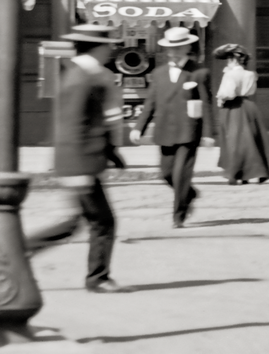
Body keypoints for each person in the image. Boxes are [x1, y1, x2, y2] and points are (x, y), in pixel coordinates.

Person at [26, 23, 127, 292]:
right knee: (102, 222)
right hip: (80, 162)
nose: (111, 50)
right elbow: (73, 125)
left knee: (81, 222)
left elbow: (94, 122)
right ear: (97, 47)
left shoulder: (82, 74)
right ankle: (98, 278)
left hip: (81, 161)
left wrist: (112, 153)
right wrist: (80, 168)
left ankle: (24, 250)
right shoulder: (83, 78)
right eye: (108, 45)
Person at [131, 26, 214, 228]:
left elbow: (206, 104)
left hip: (189, 131)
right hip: (165, 131)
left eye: (178, 48)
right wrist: (138, 128)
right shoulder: (159, 74)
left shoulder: (199, 72)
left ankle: (179, 216)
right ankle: (190, 193)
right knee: (166, 174)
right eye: (171, 48)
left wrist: (209, 133)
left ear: (187, 48)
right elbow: (150, 102)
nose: (174, 52)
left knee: (180, 174)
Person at [213, 44, 269, 185]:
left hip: (233, 108)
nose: (227, 62)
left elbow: (228, 93)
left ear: (233, 60)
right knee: (253, 140)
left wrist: (220, 98)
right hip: (248, 106)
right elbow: (251, 89)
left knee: (235, 142)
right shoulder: (250, 74)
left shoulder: (230, 75)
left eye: (229, 59)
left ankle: (236, 172)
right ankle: (258, 171)